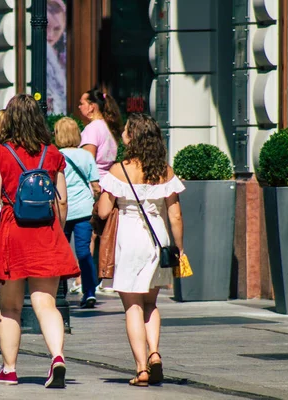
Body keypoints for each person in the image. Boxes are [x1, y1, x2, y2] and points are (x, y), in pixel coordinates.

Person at [0, 94, 80, 388]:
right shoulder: (52, 154)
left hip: (13, 230)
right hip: (45, 231)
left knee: (10, 308)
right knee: (46, 304)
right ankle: (57, 357)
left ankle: (9, 370)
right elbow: (62, 202)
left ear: (8, 118)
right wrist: (57, 232)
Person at [97, 113, 184, 387]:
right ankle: (155, 353)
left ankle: (141, 368)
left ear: (133, 137)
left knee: (132, 306)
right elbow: (175, 215)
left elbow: (102, 212)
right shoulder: (165, 171)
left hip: (129, 237)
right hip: (158, 239)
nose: (122, 133)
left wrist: (103, 195)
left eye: (125, 130)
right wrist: (178, 249)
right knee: (150, 304)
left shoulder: (118, 171)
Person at [74, 89, 123, 295]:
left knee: (90, 235)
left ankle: (82, 281)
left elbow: (87, 162)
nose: (79, 107)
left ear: (92, 107)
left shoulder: (93, 129)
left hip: (95, 186)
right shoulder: (107, 127)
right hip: (109, 184)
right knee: (104, 232)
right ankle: (102, 277)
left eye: (82, 103)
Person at [54, 117, 101, 308]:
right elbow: (96, 186)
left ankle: (60, 291)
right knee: (84, 252)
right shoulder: (86, 156)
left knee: (60, 252)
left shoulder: (55, 156)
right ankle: (89, 291)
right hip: (83, 210)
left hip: (61, 211)